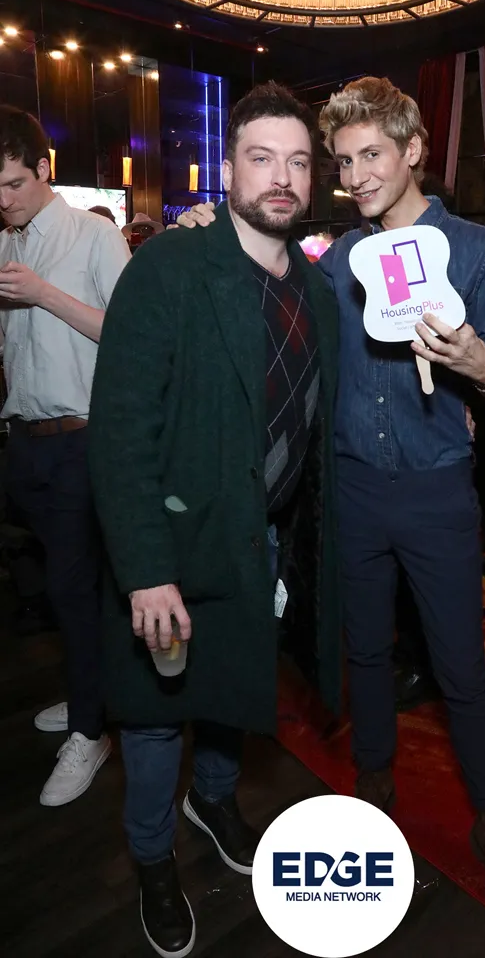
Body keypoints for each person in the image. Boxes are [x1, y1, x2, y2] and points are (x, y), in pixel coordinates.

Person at [180, 76, 485, 932]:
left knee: (460, 668)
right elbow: (269, 303)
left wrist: (483, 368)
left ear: (413, 150)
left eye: (370, 155)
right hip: (349, 490)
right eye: (342, 162)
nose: (355, 176)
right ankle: (374, 786)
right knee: (365, 654)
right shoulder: (339, 262)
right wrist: (208, 236)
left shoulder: (478, 251)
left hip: (437, 491)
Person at [87, 83, 342, 958]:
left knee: (235, 685)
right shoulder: (170, 266)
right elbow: (121, 428)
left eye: (297, 161)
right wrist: (145, 569)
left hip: (259, 537)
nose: (281, 178)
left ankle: (216, 797)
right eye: (262, 158)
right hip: (173, 542)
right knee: (158, 714)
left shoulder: (315, 286)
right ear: (228, 168)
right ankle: (152, 856)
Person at [0, 105, 130, 803]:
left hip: (83, 440)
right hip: (25, 441)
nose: (4, 200)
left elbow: (130, 335)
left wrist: (44, 294)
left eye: (14, 184)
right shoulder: (4, 243)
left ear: (44, 169)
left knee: (73, 587)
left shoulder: (93, 236)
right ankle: (91, 693)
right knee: (63, 587)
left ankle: (91, 729)